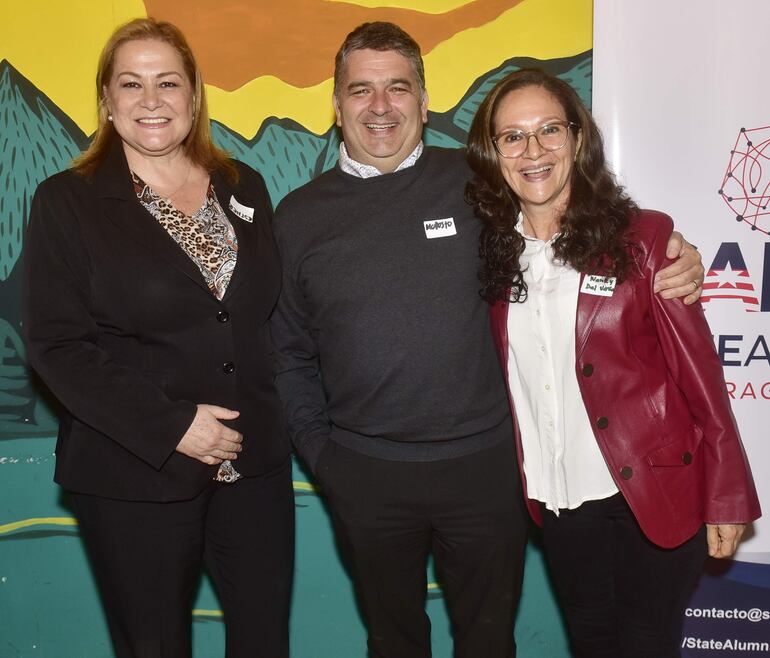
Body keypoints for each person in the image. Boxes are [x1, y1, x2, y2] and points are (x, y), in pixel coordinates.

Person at [270, 21, 705, 658]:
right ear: (337, 105)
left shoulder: (482, 184)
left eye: (398, 87)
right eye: (361, 90)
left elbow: (575, 210)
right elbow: (287, 353)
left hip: (487, 469)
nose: (381, 106)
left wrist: (668, 244)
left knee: (489, 641)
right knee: (392, 641)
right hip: (366, 474)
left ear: (424, 100)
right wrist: (326, 459)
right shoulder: (297, 216)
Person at [465, 68, 761, 658]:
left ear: (577, 138)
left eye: (550, 129)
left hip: (652, 490)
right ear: (493, 153)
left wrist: (728, 494)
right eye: (513, 137)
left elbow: (701, 377)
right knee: (592, 642)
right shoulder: (493, 251)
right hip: (561, 499)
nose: (533, 150)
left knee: (646, 645)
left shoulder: (643, 241)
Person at [22, 18, 293, 658]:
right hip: (134, 471)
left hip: (253, 469)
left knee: (264, 642)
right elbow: (58, 347)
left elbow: (262, 317)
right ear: (106, 100)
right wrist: (173, 427)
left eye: (168, 82)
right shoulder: (67, 202)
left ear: (194, 96)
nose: (151, 100)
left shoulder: (244, 186)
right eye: (131, 83)